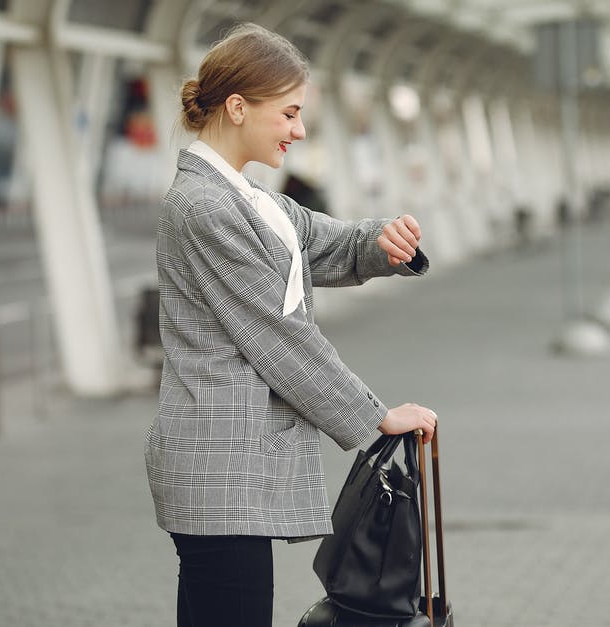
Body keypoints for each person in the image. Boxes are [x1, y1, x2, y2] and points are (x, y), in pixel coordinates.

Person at [143, 23, 440, 627]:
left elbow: (322, 242)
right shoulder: (203, 207)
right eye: (289, 113)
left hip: (230, 476)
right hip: (221, 473)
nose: (299, 130)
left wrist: (380, 243)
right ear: (236, 107)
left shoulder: (251, 199)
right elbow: (276, 336)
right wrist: (374, 414)